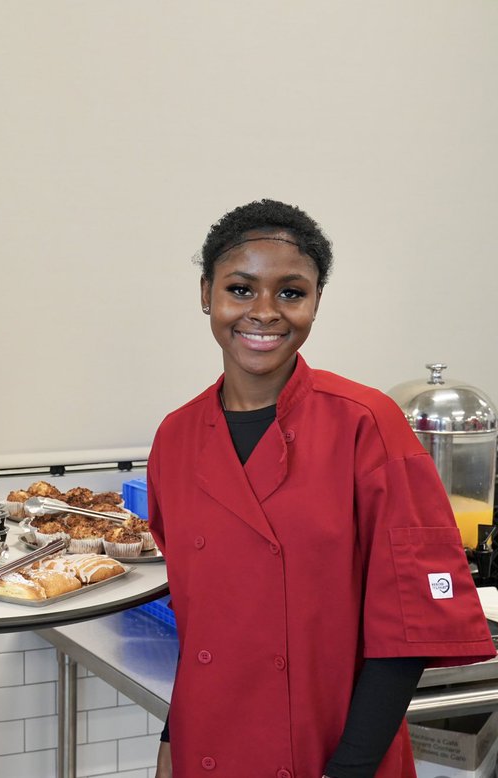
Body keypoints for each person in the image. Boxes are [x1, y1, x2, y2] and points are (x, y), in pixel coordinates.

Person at [147, 199, 496, 777]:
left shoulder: (367, 424)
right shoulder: (176, 437)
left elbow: (406, 629)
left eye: (291, 292)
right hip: (207, 743)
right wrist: (170, 737)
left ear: (315, 303)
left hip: (331, 748)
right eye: (240, 289)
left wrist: (350, 770)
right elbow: (201, 619)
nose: (264, 312)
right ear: (205, 292)